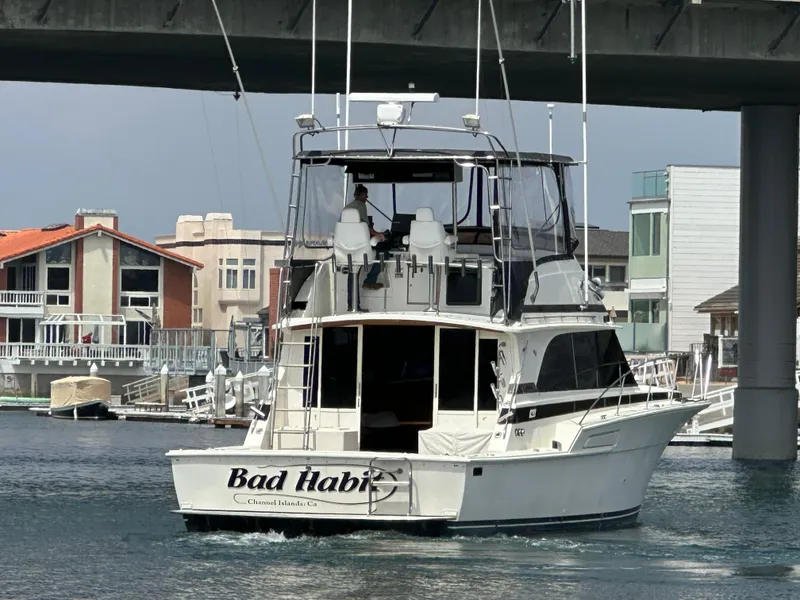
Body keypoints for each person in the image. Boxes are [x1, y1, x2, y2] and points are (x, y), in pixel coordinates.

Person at [343, 184, 385, 290]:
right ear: (362, 195)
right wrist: (378, 235)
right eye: (366, 195)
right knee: (384, 253)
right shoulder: (360, 205)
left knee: (352, 272)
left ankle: (352, 305)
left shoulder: (346, 208)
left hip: (344, 249)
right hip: (360, 248)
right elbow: (365, 227)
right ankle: (370, 281)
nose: (367, 198)